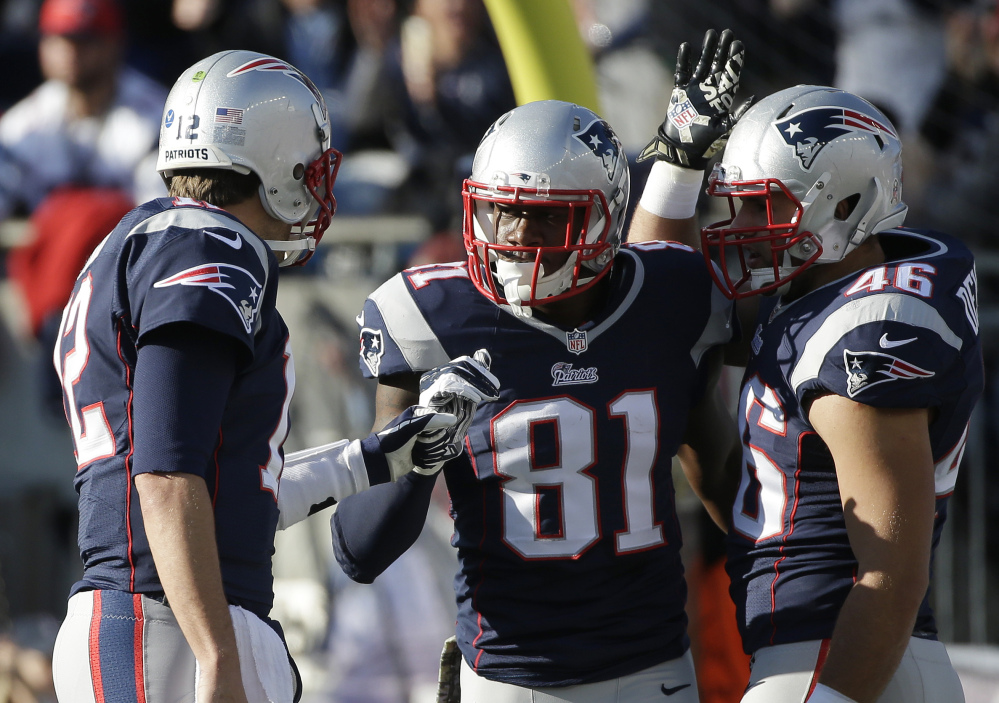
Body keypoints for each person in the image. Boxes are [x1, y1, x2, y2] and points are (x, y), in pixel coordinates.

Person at [48, 49, 496, 703]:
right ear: (272, 162)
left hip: (156, 616)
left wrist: (379, 456)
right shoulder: (211, 245)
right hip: (169, 627)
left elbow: (230, 494)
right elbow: (167, 476)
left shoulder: (149, 237)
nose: (318, 185)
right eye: (310, 167)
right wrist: (217, 655)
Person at [328, 31, 747, 703]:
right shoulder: (432, 316)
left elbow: (725, 480)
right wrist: (418, 456)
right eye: (499, 214)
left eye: (543, 220)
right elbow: (359, 547)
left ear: (605, 222)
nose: (514, 240)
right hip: (512, 676)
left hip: (653, 667)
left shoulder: (665, 299)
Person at [632, 84, 983, 703]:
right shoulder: (814, 299)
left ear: (847, 203)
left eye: (761, 208)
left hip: (842, 659)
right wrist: (678, 164)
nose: (738, 228)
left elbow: (891, 573)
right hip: (841, 658)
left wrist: (833, 696)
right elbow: (656, 310)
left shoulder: (863, 334)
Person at [0, 0, 167, 219]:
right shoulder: (23, 124)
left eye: (85, 40)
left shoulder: (159, 117)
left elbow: (162, 218)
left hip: (130, 247)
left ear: (115, 42)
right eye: (58, 39)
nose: (69, 51)